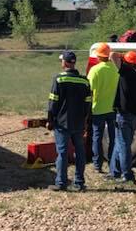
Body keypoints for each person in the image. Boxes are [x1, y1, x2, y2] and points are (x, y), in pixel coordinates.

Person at [46, 51, 92, 191]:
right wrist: (85, 121)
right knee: (79, 152)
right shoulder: (85, 81)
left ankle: (61, 183)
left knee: (63, 152)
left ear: (65, 63)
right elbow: (88, 103)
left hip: (62, 122)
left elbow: (53, 101)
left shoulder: (59, 79)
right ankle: (79, 182)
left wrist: (50, 119)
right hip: (78, 123)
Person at [110, 50, 136, 184]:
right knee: (120, 143)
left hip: (123, 115)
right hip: (135, 115)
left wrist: (122, 55)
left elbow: (111, 55)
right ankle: (115, 172)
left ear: (127, 63)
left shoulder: (126, 72)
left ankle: (127, 175)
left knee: (123, 145)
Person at [87, 42, 119, 174]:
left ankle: (97, 165)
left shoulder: (95, 70)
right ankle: (112, 162)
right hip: (112, 109)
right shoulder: (115, 69)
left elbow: (89, 91)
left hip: (97, 109)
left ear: (99, 56)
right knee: (113, 137)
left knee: (97, 137)